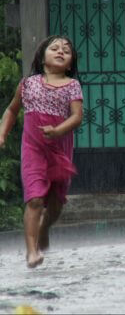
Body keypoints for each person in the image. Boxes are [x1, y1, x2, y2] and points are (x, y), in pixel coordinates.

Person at [0, 35, 83, 268]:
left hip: (59, 150)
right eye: (54, 48)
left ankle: (45, 227)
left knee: (56, 202)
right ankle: (31, 251)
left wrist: (57, 131)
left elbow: (77, 116)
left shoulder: (72, 85)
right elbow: (11, 110)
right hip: (33, 148)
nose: (60, 51)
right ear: (42, 57)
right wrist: (2, 133)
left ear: (70, 63)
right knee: (35, 199)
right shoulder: (28, 84)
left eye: (66, 50)